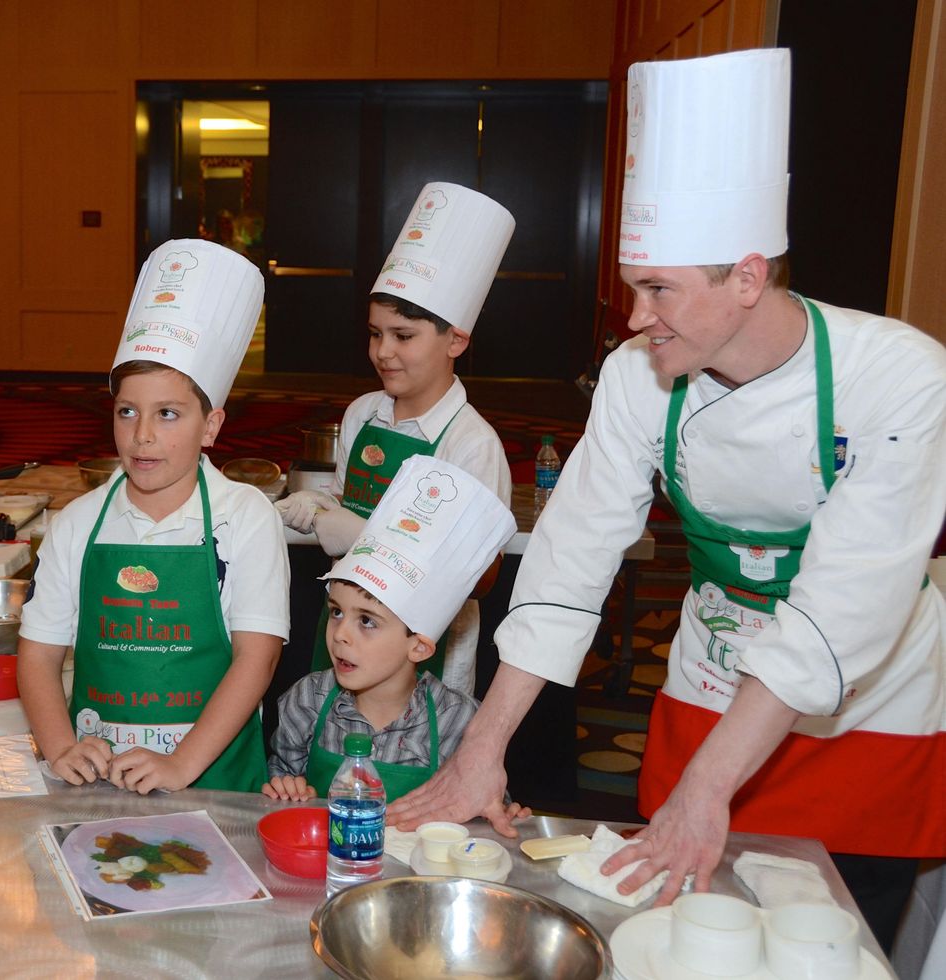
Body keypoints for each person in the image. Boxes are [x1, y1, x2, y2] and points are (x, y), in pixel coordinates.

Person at [389, 49, 946, 953]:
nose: (636, 317)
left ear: (747, 277)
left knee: (830, 946)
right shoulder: (638, 378)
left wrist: (709, 787)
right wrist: (482, 746)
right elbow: (571, 559)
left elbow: (843, 608)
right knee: (685, 940)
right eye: (633, 286)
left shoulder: (904, 379)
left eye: (659, 290)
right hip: (714, 676)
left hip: (867, 708)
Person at [18, 239, 291, 795]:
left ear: (211, 426)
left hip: (213, 781)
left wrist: (181, 764)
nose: (142, 435)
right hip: (101, 783)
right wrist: (60, 746)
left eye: (168, 414)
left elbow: (256, 661)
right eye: (127, 412)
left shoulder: (246, 516)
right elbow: (38, 657)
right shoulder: (77, 521)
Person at [277, 182, 514, 694]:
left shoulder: (471, 444)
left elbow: (484, 578)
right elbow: (348, 499)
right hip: (343, 632)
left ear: (456, 339)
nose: (383, 352)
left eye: (403, 336)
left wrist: (368, 540)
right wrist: (318, 505)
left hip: (426, 656)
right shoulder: (363, 414)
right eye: (374, 332)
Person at [264, 455, 527, 817]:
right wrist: (286, 788)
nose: (340, 634)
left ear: (418, 645)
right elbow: (281, 777)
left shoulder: (459, 719)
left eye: (367, 621)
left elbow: (485, 803)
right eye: (336, 612)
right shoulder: (307, 701)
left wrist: (497, 812)